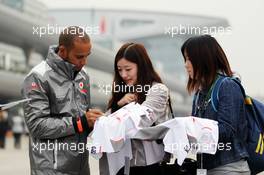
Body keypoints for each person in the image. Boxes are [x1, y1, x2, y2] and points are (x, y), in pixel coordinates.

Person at [21, 26, 103, 175]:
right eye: (79, 56)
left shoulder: (83, 75)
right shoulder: (38, 76)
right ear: (63, 51)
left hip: (81, 167)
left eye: (87, 55)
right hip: (51, 169)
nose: (84, 61)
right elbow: (36, 126)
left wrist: (95, 122)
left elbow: (84, 118)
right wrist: (81, 122)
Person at [181, 35, 250, 175]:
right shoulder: (200, 92)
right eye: (185, 59)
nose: (185, 64)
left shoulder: (227, 86)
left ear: (203, 58)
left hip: (229, 168)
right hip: (207, 168)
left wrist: (191, 128)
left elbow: (227, 130)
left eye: (189, 58)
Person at [100, 43, 170, 175]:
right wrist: (118, 105)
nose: (123, 75)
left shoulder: (158, 90)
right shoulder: (121, 93)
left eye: (128, 69)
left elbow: (140, 122)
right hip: (122, 165)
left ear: (141, 66)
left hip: (150, 164)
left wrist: (115, 117)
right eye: (119, 70)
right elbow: (105, 126)